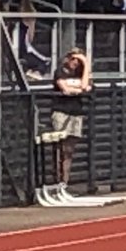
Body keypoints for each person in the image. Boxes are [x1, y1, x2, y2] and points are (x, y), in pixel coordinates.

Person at [50, 48, 92, 188]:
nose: (75, 62)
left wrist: (86, 64)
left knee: (69, 150)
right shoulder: (60, 71)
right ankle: (56, 180)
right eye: (73, 59)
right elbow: (65, 89)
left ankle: (65, 182)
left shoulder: (82, 73)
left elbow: (86, 86)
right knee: (59, 147)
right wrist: (77, 90)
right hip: (61, 112)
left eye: (78, 60)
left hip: (76, 112)